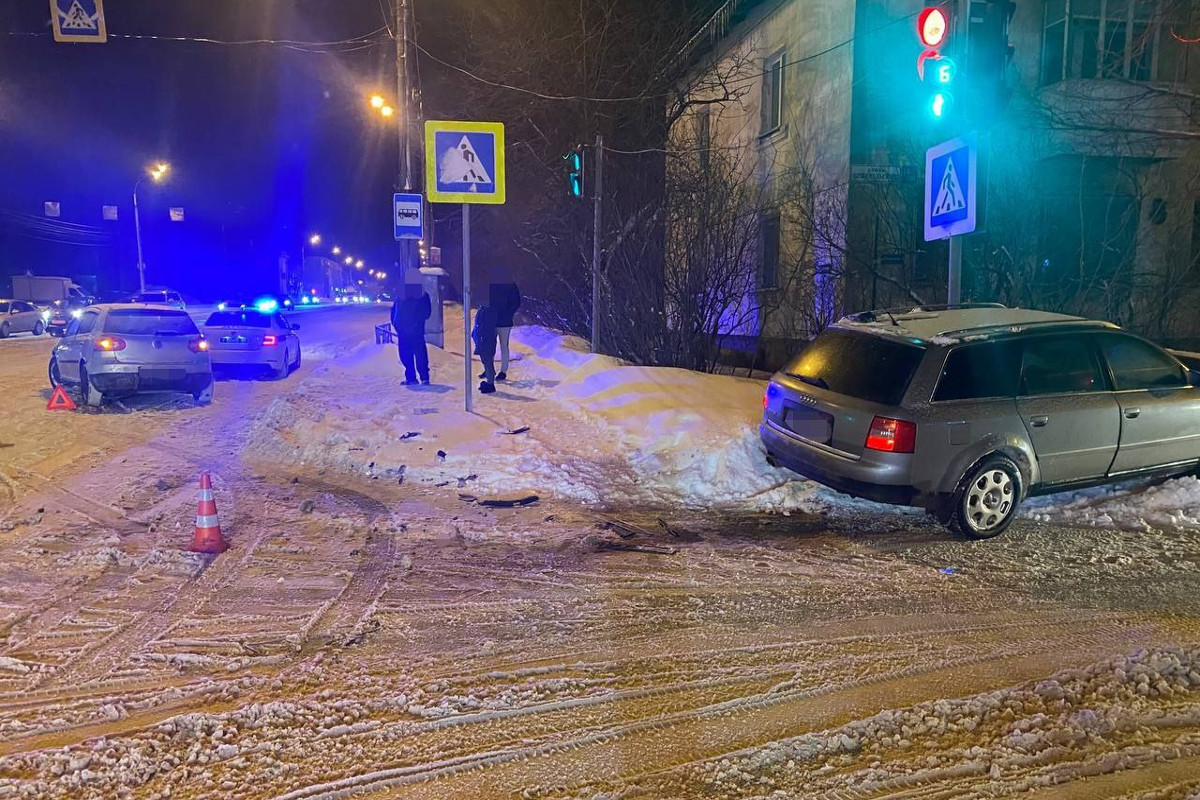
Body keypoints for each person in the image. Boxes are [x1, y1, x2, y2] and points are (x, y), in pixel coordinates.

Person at [390, 283, 432, 386]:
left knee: (417, 355)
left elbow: (426, 313)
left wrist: (415, 322)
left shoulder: (422, 296)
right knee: (407, 355)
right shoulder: (401, 296)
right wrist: (396, 324)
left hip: (414, 331)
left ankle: (422, 378)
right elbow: (394, 311)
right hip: (405, 331)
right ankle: (412, 378)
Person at [489, 282, 521, 381]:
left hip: (503, 321)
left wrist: (508, 314)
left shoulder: (509, 285)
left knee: (503, 345)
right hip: (492, 320)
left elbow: (516, 302)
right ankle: (489, 369)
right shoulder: (491, 283)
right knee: (490, 346)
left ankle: (503, 371)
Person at [472, 305, 498, 394]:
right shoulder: (483, 310)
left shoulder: (489, 311)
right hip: (483, 338)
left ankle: (490, 383)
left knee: (487, 360)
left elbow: (486, 326)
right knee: (486, 359)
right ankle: (489, 378)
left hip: (486, 339)